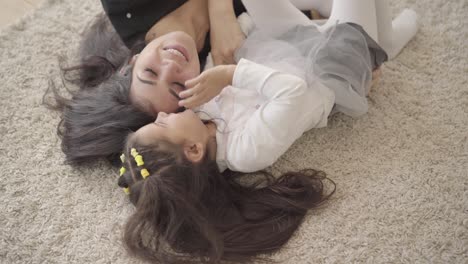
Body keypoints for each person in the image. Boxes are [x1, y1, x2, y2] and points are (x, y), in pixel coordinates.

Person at [116, 0, 418, 262]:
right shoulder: (246, 153)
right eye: (162, 123)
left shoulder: (198, 113)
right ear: (193, 149)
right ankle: (378, 43)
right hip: (328, 65)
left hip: (281, 42)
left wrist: (240, 29)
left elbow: (225, 56)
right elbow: (292, 91)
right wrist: (231, 75)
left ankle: (378, 39)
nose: (166, 113)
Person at [48, 0, 325, 165]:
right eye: (179, 87)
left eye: (150, 72)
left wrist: (220, 12)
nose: (171, 65)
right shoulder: (219, 58)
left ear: (132, 62)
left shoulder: (127, 4)